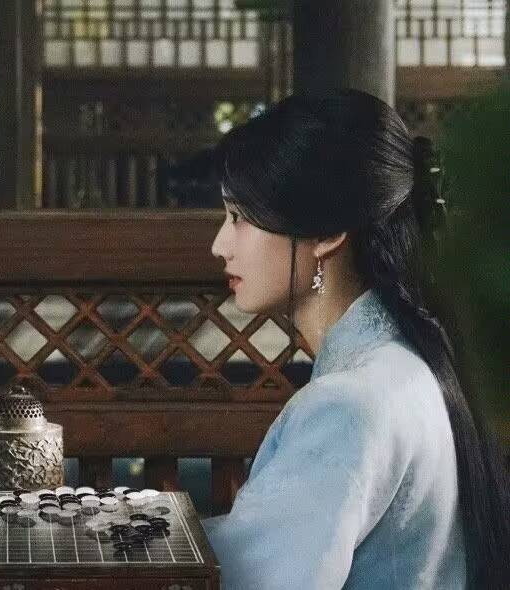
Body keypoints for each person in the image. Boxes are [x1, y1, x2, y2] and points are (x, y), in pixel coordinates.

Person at [203, 89, 510, 589]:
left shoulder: (348, 406)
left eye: (239, 217)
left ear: (327, 233)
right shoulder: (410, 365)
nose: (220, 245)